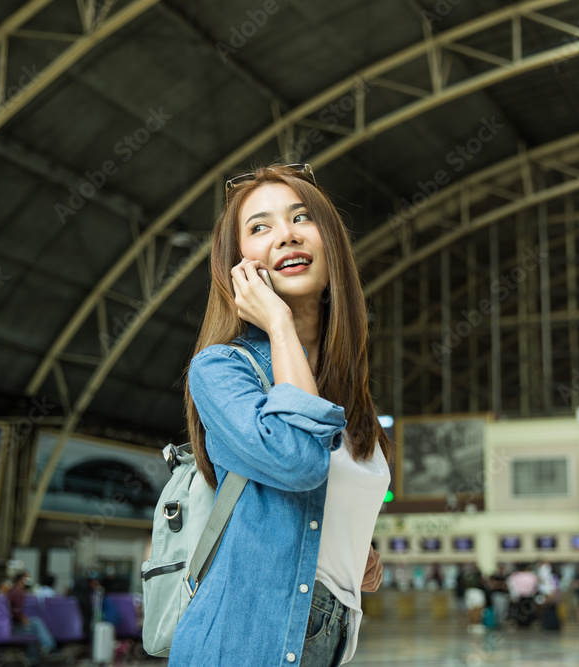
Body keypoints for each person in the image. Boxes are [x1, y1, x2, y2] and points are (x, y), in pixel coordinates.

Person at [170, 164, 392, 667]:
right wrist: (277, 322)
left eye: (302, 217)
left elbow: (320, 507)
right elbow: (297, 463)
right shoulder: (222, 370)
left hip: (318, 642)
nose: (286, 235)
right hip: (240, 644)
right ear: (239, 265)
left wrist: (353, 554)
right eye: (260, 227)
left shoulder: (345, 389)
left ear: (330, 242)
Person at [7, 572, 56, 661]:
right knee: (37, 623)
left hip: (10, 625)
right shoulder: (18, 592)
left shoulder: (13, 591)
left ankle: (33, 659)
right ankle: (49, 647)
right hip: (14, 626)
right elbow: (16, 613)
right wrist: (23, 619)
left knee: (34, 630)